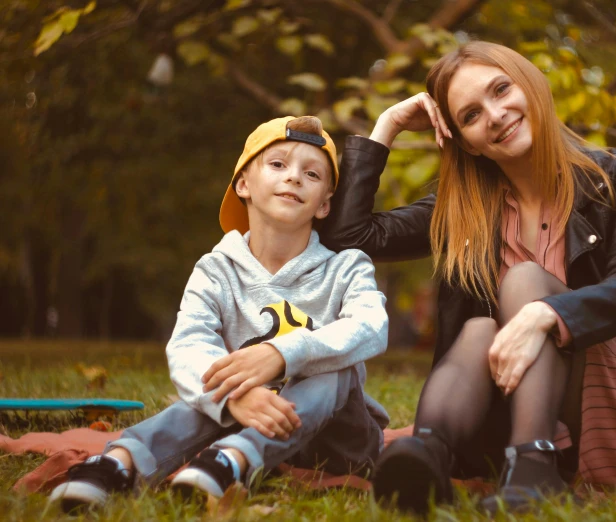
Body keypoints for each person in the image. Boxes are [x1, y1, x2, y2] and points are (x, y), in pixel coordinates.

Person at [321, 41, 616, 515]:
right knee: (479, 328)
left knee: (524, 282)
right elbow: (349, 238)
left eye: (502, 90)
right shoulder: (463, 209)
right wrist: (388, 125)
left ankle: (535, 463)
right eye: (472, 115)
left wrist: (545, 314)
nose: (496, 115)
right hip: (506, 412)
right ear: (463, 140)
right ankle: (430, 458)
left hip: (613, 411)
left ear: (530, 84)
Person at [49, 116, 390, 512]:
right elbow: (189, 346)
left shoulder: (347, 266)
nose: (294, 178)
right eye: (278, 165)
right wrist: (233, 401)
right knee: (218, 379)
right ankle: (118, 465)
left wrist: (283, 354)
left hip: (339, 442)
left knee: (333, 365)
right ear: (243, 184)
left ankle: (236, 459)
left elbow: (370, 326)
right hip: (246, 417)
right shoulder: (216, 269)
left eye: (311, 173)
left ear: (325, 204)